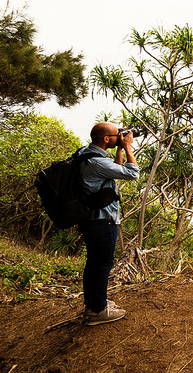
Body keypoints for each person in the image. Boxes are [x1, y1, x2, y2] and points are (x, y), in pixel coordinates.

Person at [76, 122, 139, 326]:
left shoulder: (85, 154)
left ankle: (93, 305)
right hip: (103, 221)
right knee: (103, 264)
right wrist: (128, 147)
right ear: (105, 139)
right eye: (116, 135)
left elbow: (114, 170)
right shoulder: (97, 163)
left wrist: (119, 149)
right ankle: (98, 311)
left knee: (93, 263)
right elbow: (132, 173)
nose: (120, 136)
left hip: (89, 219)